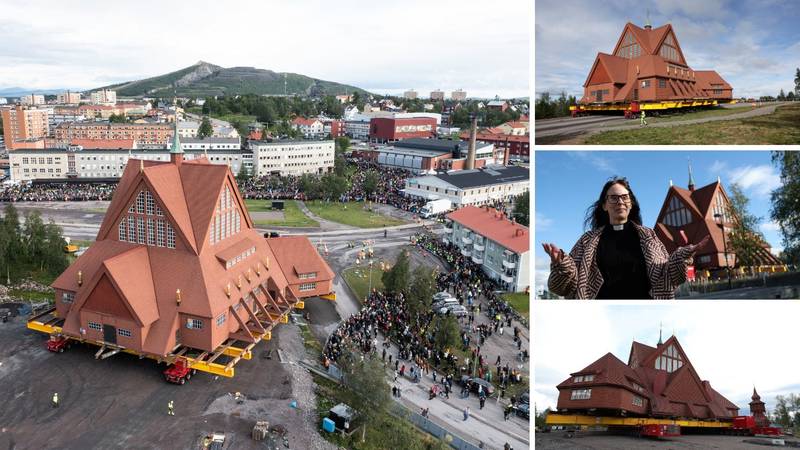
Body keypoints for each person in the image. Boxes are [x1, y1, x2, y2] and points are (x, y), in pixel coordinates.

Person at [543, 177, 709, 299]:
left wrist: (682, 256)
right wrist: (561, 264)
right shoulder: (588, 241)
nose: (620, 202)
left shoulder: (648, 236)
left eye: (624, 197)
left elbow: (668, 278)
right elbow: (563, 288)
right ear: (604, 205)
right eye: (613, 198)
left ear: (630, 203)